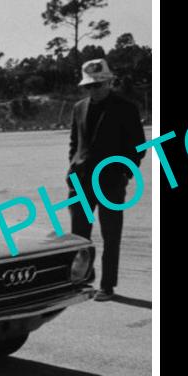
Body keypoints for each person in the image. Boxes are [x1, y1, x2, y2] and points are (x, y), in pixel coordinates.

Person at [66, 58, 147, 301]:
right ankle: (83, 280)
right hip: (80, 180)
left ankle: (107, 285)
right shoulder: (78, 108)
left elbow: (138, 148)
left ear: (110, 82)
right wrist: (72, 168)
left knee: (111, 235)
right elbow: (74, 143)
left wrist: (124, 173)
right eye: (89, 86)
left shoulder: (126, 108)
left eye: (99, 85)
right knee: (79, 236)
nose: (94, 90)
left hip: (111, 181)